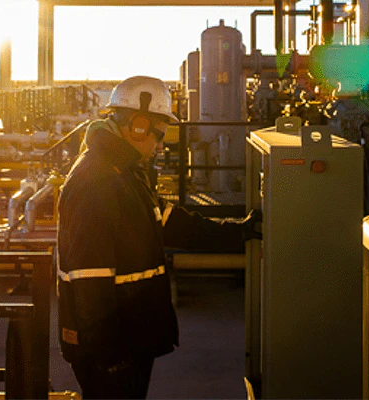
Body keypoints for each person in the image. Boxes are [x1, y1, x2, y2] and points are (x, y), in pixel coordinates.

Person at [56, 76, 261, 399]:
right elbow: (89, 278)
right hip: (111, 348)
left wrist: (240, 230)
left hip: (130, 338)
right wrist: (109, 356)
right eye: (160, 134)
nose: (161, 145)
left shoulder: (125, 173)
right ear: (138, 125)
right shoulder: (96, 182)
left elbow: (174, 224)